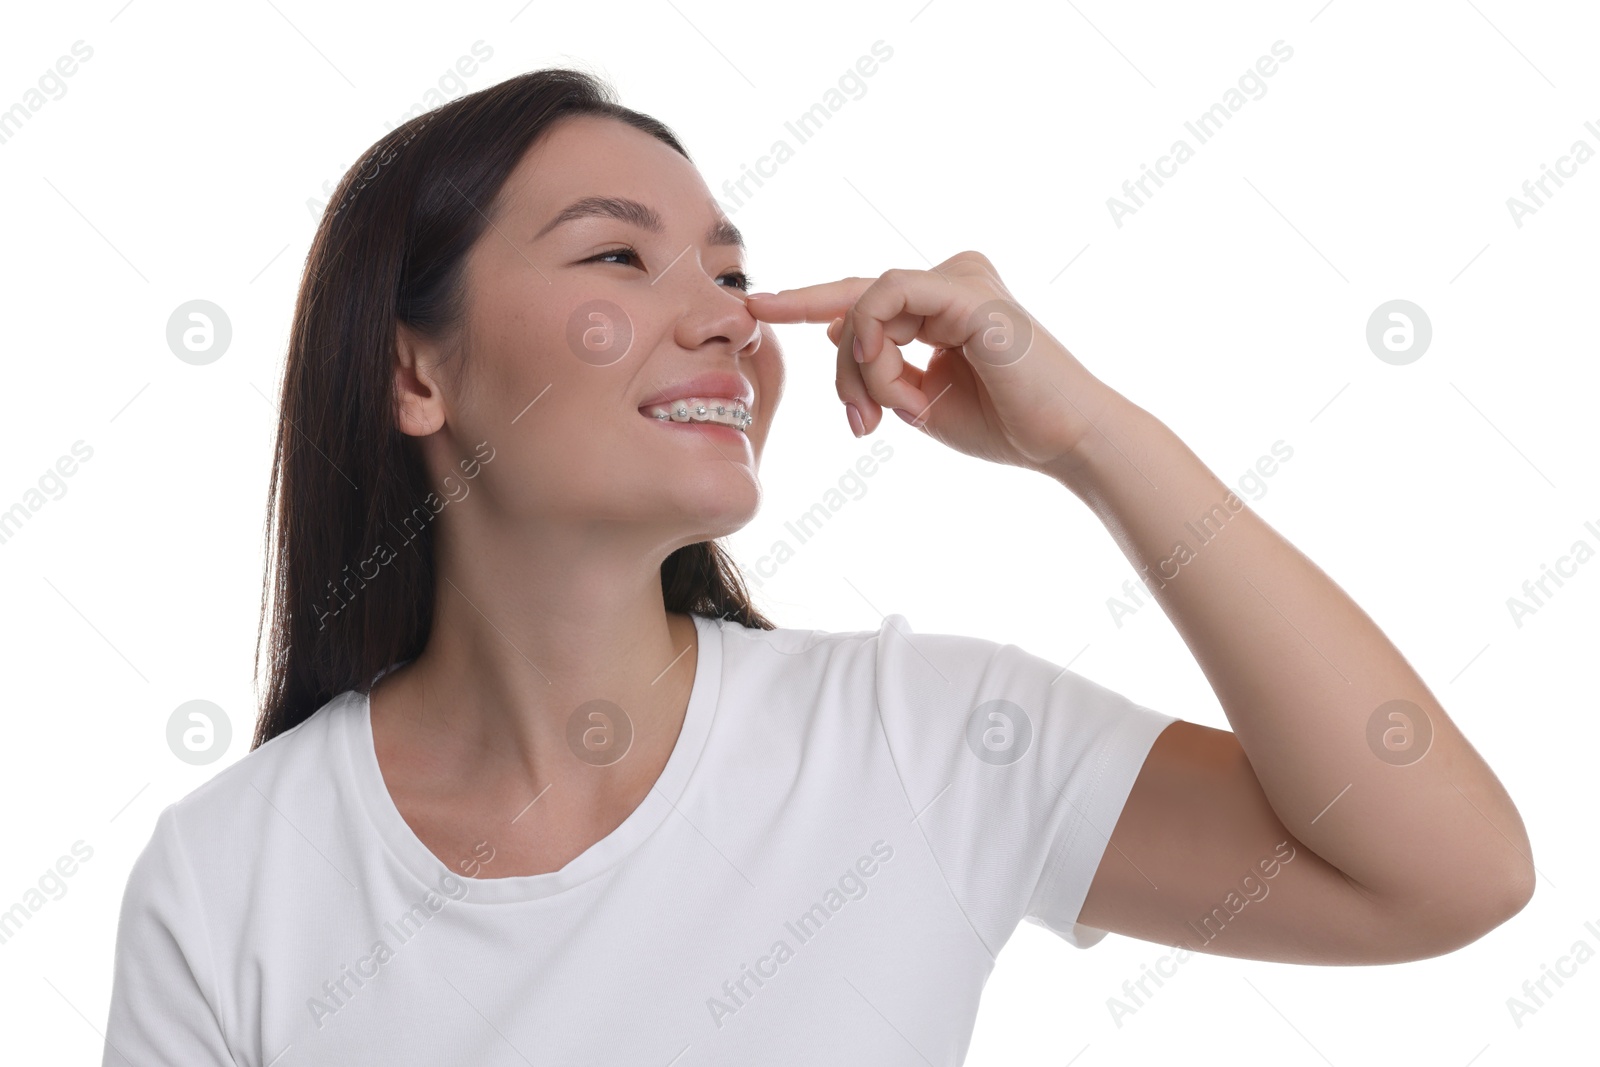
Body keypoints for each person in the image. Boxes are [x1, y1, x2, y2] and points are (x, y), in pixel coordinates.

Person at [101, 67, 1534, 1065]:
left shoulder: (928, 742)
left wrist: (1089, 438)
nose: (728, 321)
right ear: (417, 370)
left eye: (732, 276)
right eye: (618, 260)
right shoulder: (231, 878)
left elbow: (1449, 873)